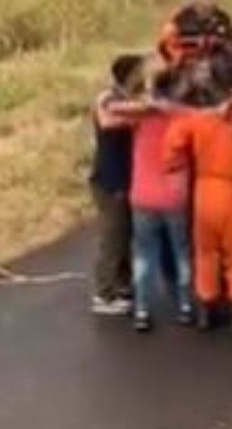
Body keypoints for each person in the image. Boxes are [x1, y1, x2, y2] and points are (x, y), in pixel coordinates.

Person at [164, 66, 232, 333]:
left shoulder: (199, 120)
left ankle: (206, 305)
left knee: (206, 251)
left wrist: (175, 165)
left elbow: (173, 143)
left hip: (204, 190)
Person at [126, 70, 194, 332]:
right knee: (181, 252)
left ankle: (142, 309)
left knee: (143, 255)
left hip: (142, 195)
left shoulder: (139, 118)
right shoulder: (182, 119)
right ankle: (185, 306)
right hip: (174, 196)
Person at [89, 54, 147, 317]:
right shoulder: (108, 98)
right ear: (129, 73)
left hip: (126, 176)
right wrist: (137, 118)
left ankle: (124, 285)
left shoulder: (133, 98)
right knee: (112, 237)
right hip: (110, 178)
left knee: (125, 234)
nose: (143, 76)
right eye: (139, 72)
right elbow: (106, 120)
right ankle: (104, 293)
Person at [158, 0, 232, 65]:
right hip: (185, 63)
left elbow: (228, 45)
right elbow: (168, 45)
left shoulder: (223, 19)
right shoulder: (182, 18)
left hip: (214, 65)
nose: (213, 2)